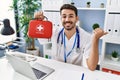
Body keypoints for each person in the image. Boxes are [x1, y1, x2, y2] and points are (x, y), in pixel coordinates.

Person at [34, 4, 107, 71]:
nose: (67, 20)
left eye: (71, 16)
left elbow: (92, 67)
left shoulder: (86, 36)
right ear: (61, 18)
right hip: (55, 70)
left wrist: (95, 39)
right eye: (64, 16)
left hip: (75, 73)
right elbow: (31, 34)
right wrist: (38, 22)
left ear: (77, 18)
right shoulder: (54, 32)